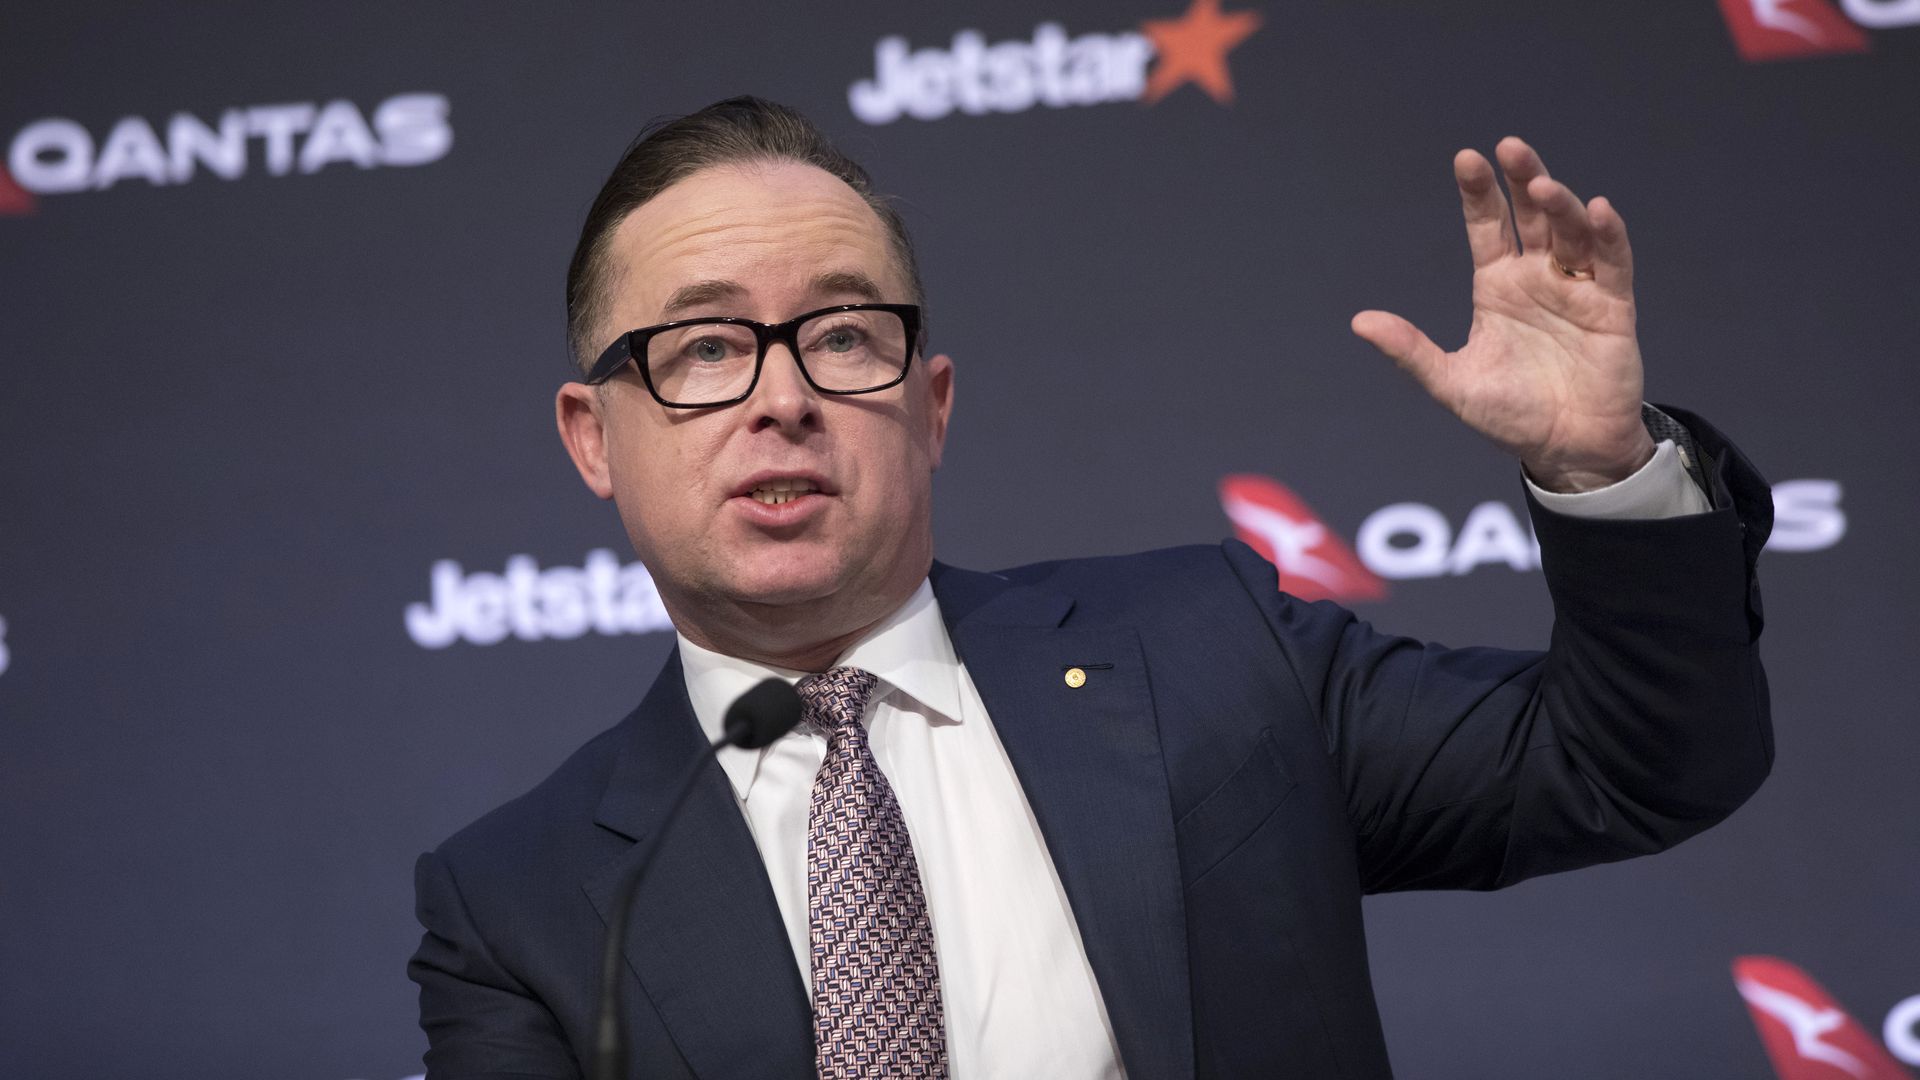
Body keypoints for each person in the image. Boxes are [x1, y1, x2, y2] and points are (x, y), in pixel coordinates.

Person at [408, 97, 1773, 1079]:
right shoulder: (520, 902)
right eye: (706, 349)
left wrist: (1602, 468)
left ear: (930, 407)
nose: (785, 399)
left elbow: (1637, 763)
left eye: (842, 334)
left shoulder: (1208, 654)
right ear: (596, 436)